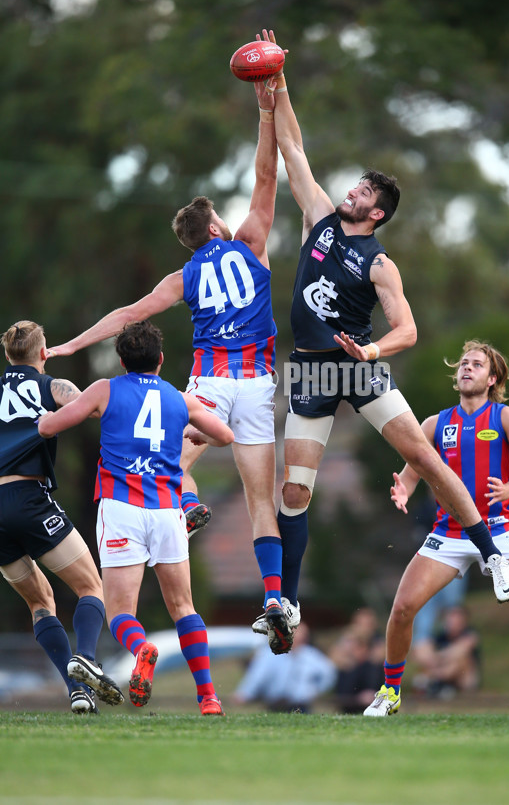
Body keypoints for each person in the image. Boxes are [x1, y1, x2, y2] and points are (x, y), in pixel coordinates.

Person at [251, 29, 509, 642]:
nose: (353, 191)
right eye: (357, 186)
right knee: (293, 492)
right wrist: (277, 82)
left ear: (377, 214)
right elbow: (291, 146)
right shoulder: (318, 220)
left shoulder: (378, 262)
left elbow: (410, 330)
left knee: (423, 456)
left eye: (365, 193)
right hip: (313, 372)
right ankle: (286, 605)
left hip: (359, 367)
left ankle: (491, 554)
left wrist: (370, 350)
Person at [46, 59, 294, 655]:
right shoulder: (253, 242)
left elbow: (129, 314)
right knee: (263, 501)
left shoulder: (181, 276)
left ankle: (185, 504)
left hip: (207, 382)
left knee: (170, 459)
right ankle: (272, 596)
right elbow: (268, 170)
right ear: (215, 225)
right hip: (258, 383)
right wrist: (268, 106)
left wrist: (74, 344)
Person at [364, 340, 509, 717]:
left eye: (476, 365)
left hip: (498, 530)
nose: (466, 368)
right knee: (401, 609)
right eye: (463, 364)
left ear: (492, 378)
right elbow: (414, 470)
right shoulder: (434, 423)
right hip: (448, 534)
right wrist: (403, 489)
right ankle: (391, 691)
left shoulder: (507, 418)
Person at [39, 320, 235, 714]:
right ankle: (209, 697)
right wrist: (197, 435)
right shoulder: (180, 399)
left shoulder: (105, 390)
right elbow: (225, 435)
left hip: (121, 508)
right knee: (184, 607)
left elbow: (49, 426)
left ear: (122, 360)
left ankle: (141, 647)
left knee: (120, 612)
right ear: (160, 361)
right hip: (167, 510)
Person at [0, 320, 123, 714]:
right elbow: (87, 407)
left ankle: (77, 691)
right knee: (91, 587)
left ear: (7, 356)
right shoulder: (50, 385)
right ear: (42, 352)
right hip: (28, 500)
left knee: (41, 603)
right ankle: (85, 657)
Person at [232, 622, 336, 713]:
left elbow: (328, 673)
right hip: (275, 704)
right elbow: (257, 676)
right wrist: (245, 693)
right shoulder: (269, 654)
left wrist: (315, 691)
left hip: (301, 705)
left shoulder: (311, 655)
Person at [411, 604, 481, 699]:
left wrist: (438, 657)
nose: (453, 621)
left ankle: (435, 683)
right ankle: (438, 685)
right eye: (451, 617)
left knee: (460, 660)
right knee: (424, 651)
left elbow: (459, 650)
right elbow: (421, 651)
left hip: (465, 680)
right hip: (442, 670)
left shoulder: (470, 634)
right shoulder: (441, 636)